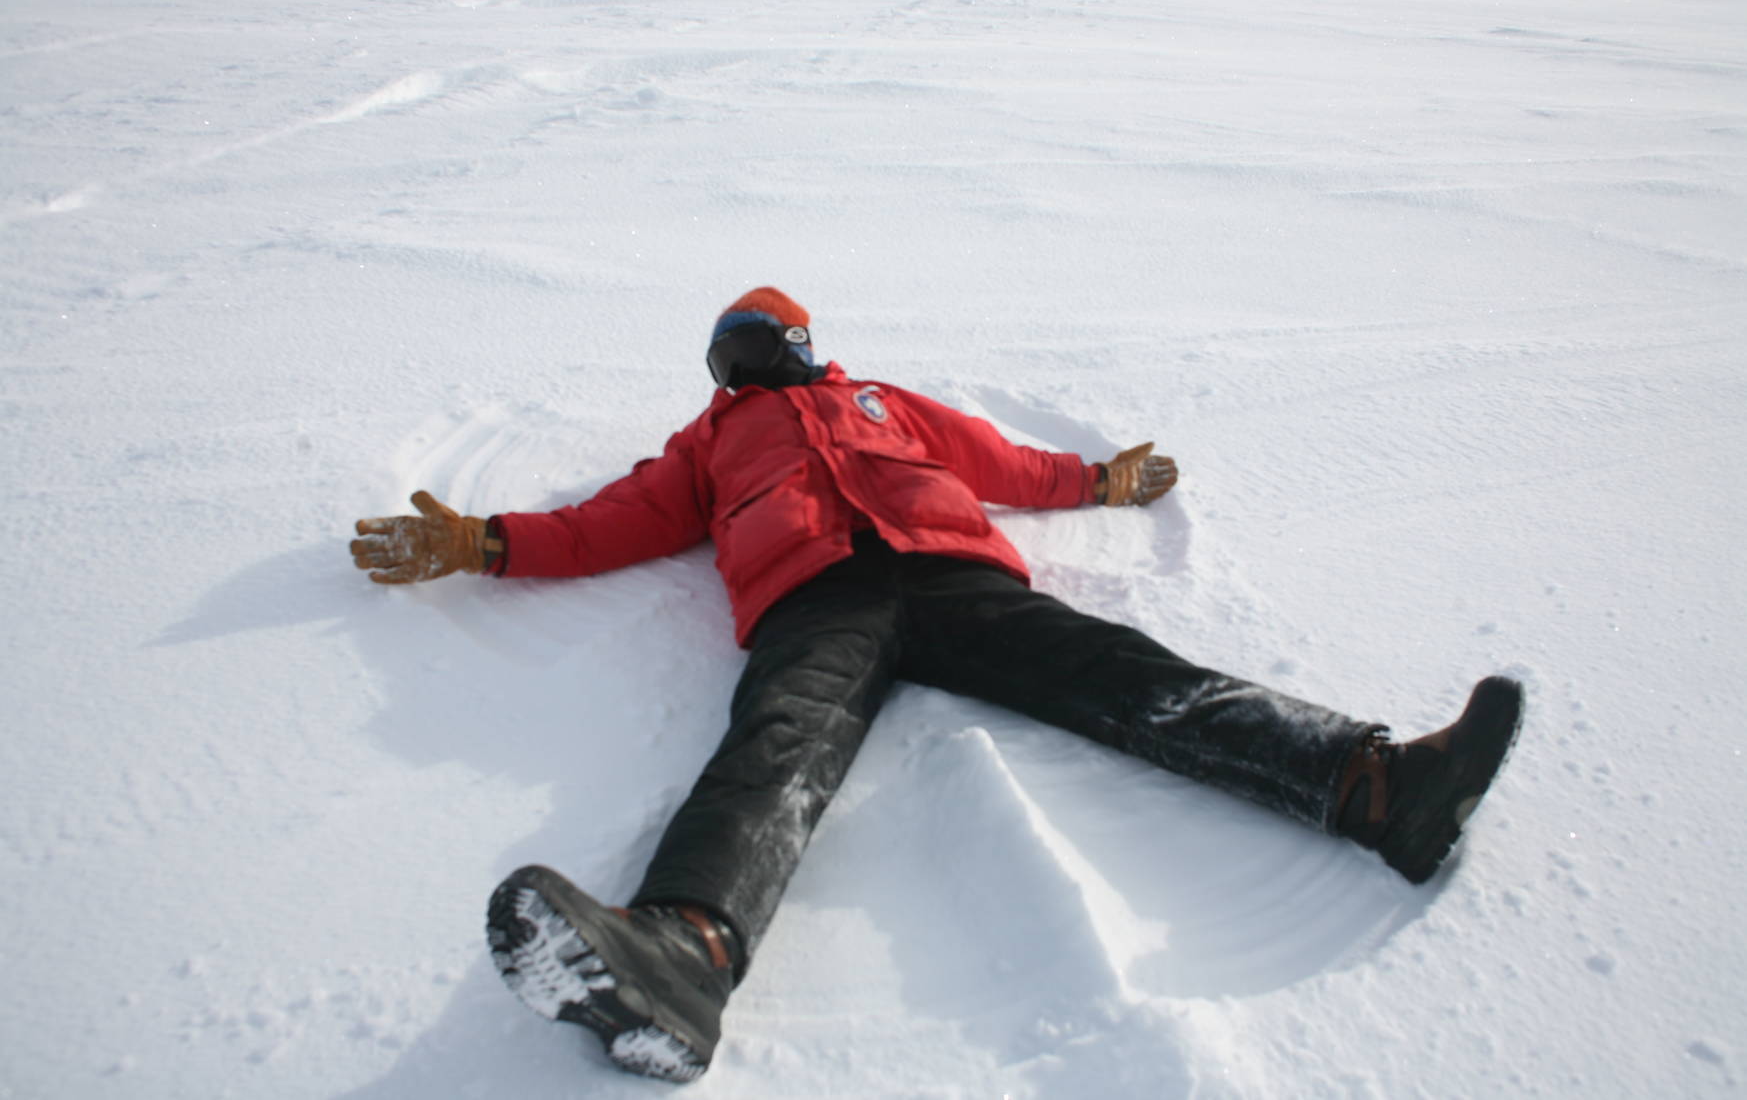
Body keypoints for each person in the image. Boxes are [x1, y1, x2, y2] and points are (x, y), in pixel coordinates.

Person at [349, 287, 1524, 1083]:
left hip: (954, 577)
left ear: (801, 340)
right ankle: (680, 952)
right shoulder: (708, 447)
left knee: (1129, 677)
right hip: (817, 602)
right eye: (725, 352)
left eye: (756, 340)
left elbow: (998, 462)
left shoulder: (883, 402)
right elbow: (611, 524)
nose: (740, 361)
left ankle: (1378, 787)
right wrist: (488, 543)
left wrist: (1100, 482)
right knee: (775, 750)